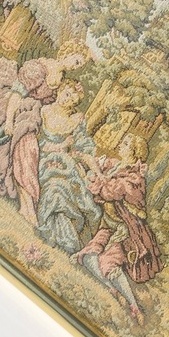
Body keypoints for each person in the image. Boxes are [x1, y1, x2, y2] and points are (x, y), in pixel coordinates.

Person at [0, 41, 90, 224]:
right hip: (19, 110)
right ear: (67, 53)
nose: (75, 66)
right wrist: (9, 120)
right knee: (28, 146)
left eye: (79, 65)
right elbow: (17, 94)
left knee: (37, 150)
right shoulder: (39, 68)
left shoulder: (62, 80)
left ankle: (30, 204)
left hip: (35, 118)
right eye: (76, 61)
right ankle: (27, 204)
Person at [72, 132, 163, 324]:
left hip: (127, 233)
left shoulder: (133, 179)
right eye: (124, 140)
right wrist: (84, 158)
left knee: (107, 263)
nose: (122, 142)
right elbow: (97, 163)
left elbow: (107, 191)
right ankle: (112, 289)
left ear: (135, 152)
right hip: (110, 225)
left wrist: (92, 175)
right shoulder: (117, 165)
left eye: (128, 143)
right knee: (88, 256)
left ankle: (134, 306)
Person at [36, 79, 102, 253]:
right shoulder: (44, 110)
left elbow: (83, 148)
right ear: (59, 91)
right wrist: (60, 145)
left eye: (72, 100)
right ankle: (59, 232)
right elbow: (35, 139)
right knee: (55, 187)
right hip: (43, 159)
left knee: (72, 189)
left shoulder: (76, 120)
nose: (67, 100)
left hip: (66, 163)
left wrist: (97, 172)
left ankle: (68, 233)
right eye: (66, 94)